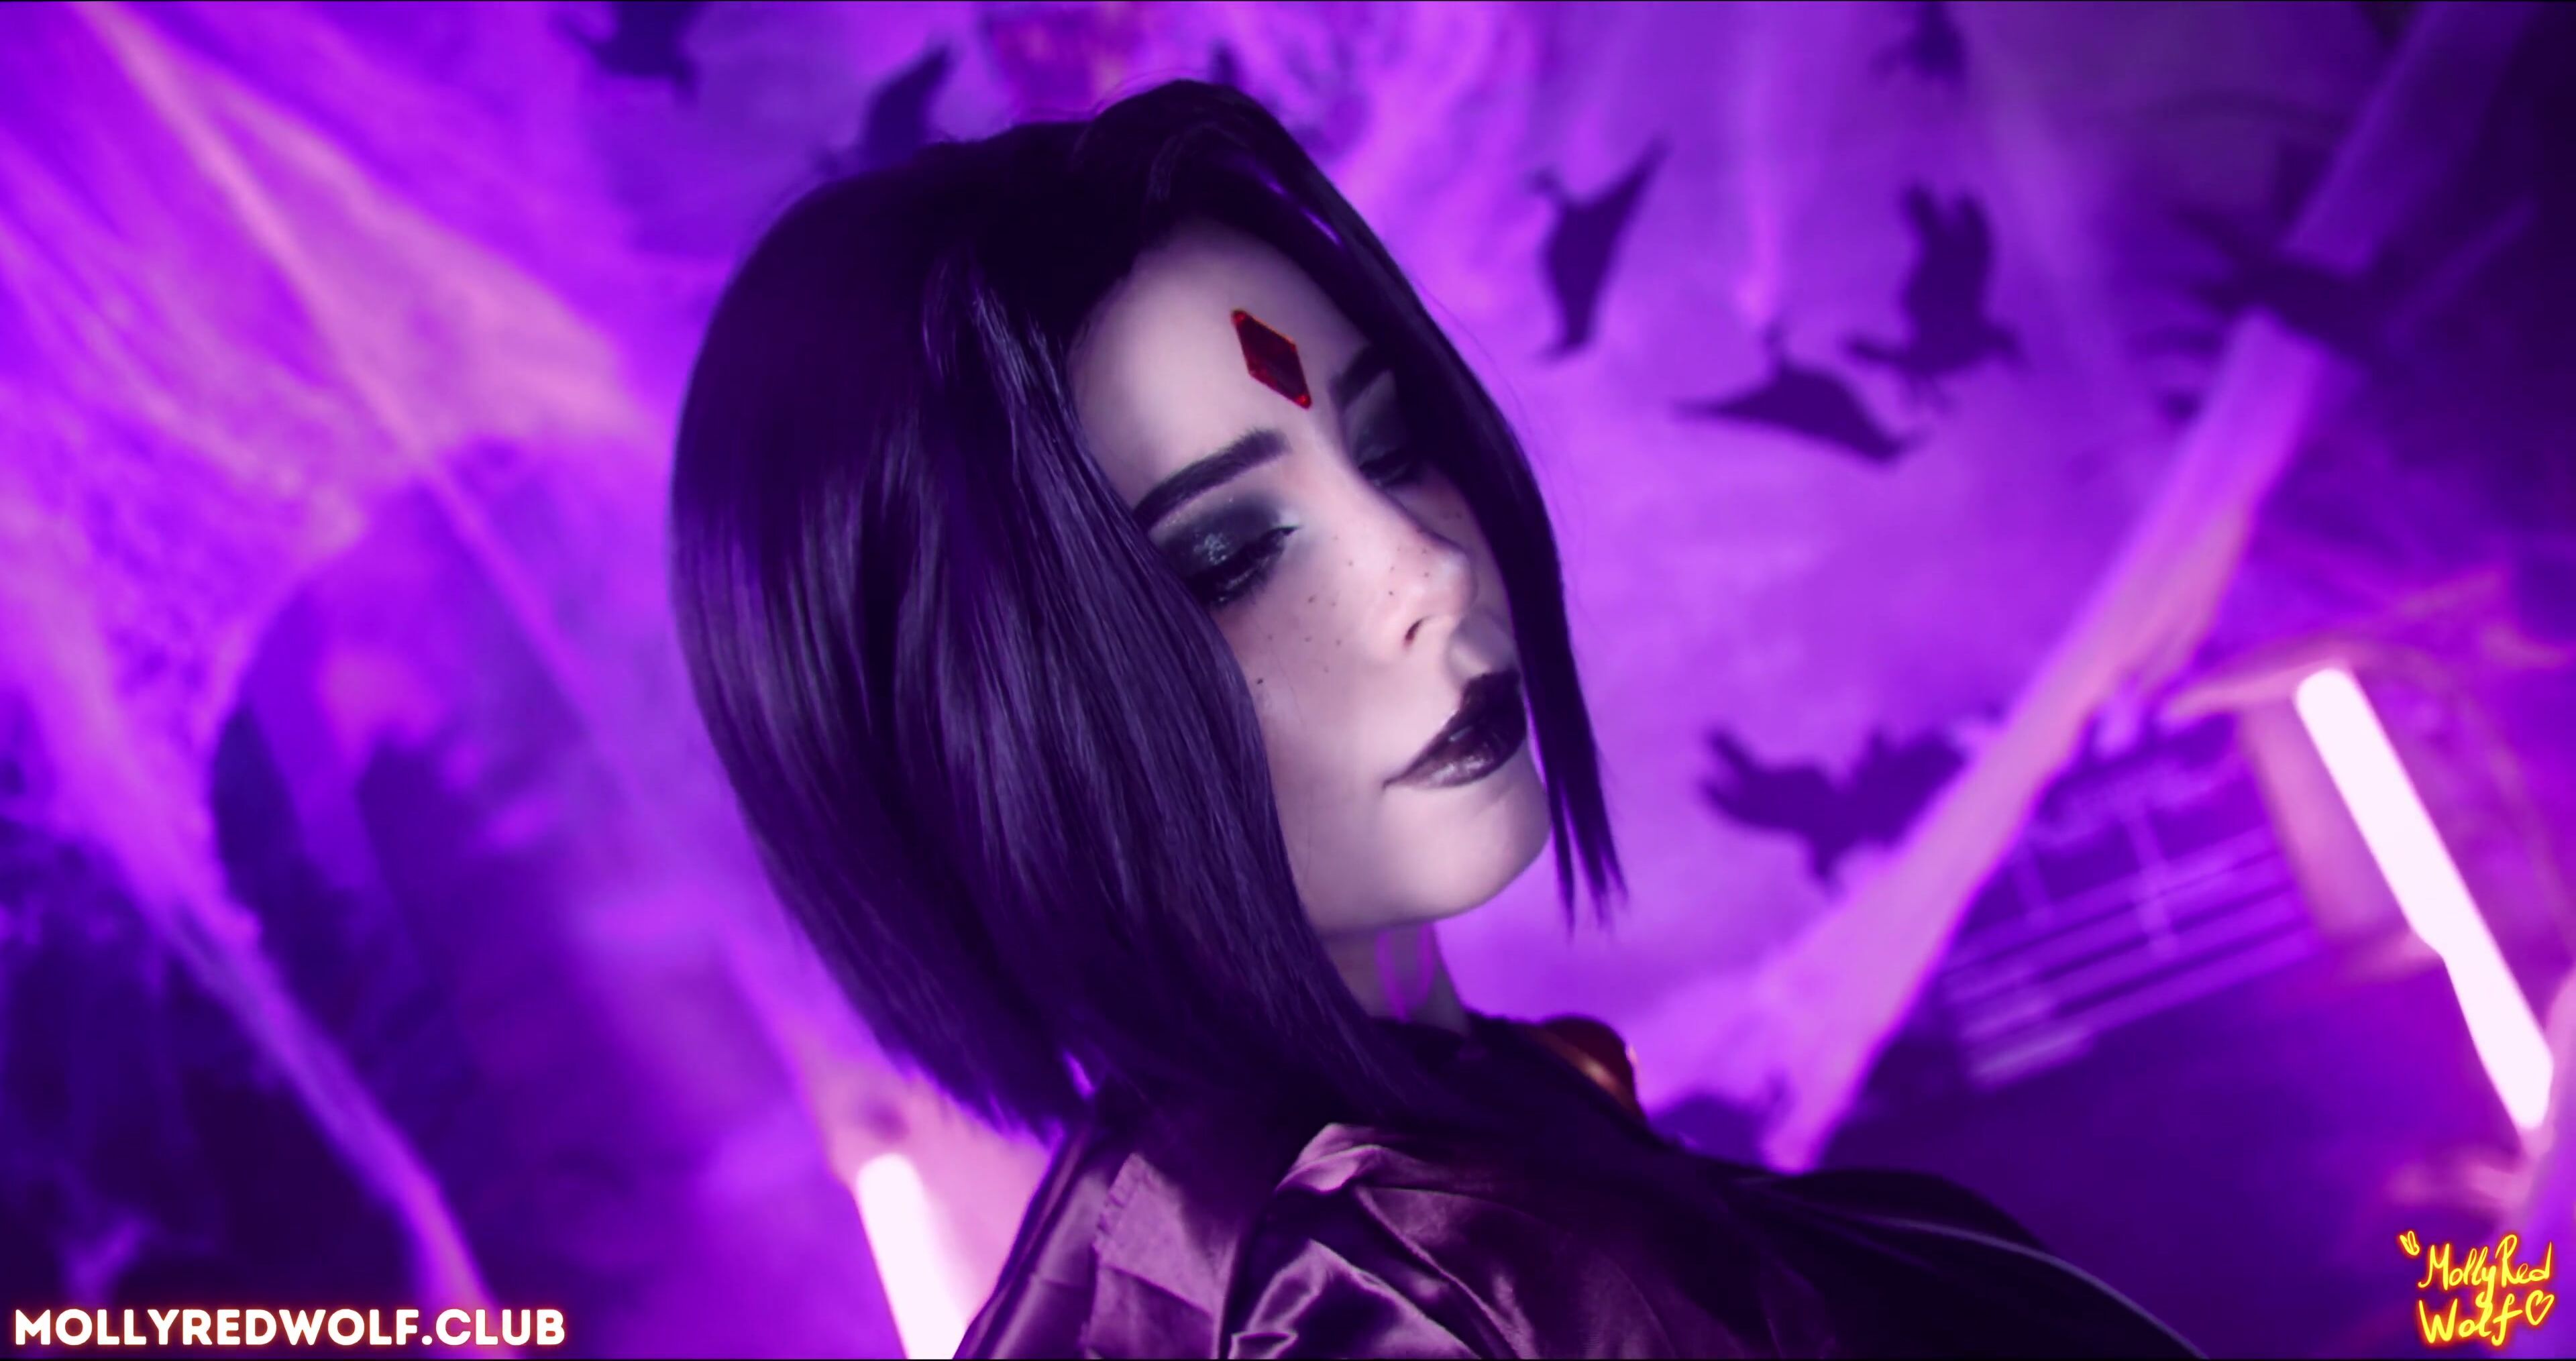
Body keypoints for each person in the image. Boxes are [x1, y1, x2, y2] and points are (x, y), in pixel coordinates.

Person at [667, 79, 2197, 1358]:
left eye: (1392, 444)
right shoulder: (1441, 1296)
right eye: (1230, 553)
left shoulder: (1240, 1229)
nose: (1431, 568)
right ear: (983, 735)